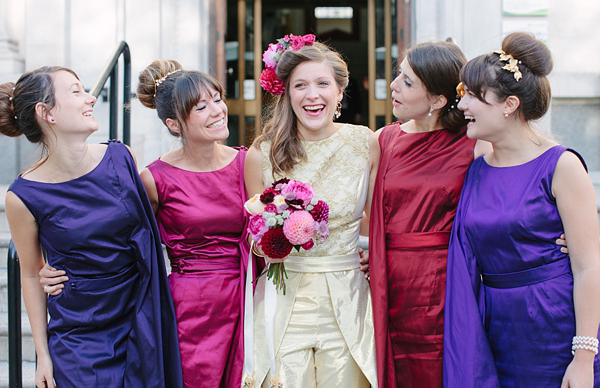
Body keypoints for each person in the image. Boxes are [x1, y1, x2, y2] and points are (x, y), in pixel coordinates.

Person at [0, 66, 182, 387]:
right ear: (46, 113)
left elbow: (147, 232)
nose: (92, 98)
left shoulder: (121, 157)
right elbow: (30, 272)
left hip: (141, 316)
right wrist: (42, 354)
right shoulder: (23, 196)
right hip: (79, 334)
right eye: (75, 91)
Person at [443, 32, 600, 387]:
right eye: (461, 94)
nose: (462, 106)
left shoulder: (561, 166)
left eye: (472, 96)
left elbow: (589, 266)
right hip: (493, 326)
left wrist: (583, 356)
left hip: (552, 324)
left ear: (509, 105)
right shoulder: (478, 162)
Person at [245, 37, 379, 387]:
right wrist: (276, 236)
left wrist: (371, 254)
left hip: (348, 297)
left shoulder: (365, 143)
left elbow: (375, 220)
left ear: (339, 92)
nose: (312, 94)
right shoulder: (263, 153)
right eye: (300, 85)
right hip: (284, 297)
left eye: (323, 84)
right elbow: (254, 240)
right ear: (287, 94)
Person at [369, 41, 484, 388]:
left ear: (437, 100)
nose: (392, 85)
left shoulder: (474, 142)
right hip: (388, 277)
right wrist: (363, 247)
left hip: (447, 279)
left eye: (406, 81)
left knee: (439, 366)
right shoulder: (382, 140)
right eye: (397, 76)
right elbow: (366, 211)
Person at [137, 60, 255, 387]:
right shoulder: (154, 178)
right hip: (192, 308)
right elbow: (127, 243)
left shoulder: (247, 162)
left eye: (217, 99)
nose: (217, 110)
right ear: (175, 125)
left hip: (247, 296)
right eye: (201, 106)